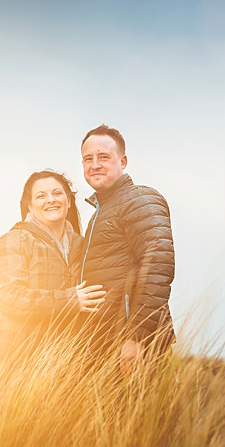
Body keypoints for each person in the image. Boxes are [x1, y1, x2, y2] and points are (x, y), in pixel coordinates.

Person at [77, 125, 175, 373]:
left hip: (132, 346)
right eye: (88, 159)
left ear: (123, 161)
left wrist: (136, 337)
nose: (95, 164)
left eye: (104, 157)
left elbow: (157, 269)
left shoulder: (139, 200)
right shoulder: (100, 212)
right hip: (104, 342)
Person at [0, 170, 106, 362]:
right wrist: (70, 300)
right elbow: (8, 296)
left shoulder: (83, 245)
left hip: (68, 365)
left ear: (68, 201)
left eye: (57, 193)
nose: (51, 199)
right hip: (20, 363)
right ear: (30, 206)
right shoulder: (13, 241)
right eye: (41, 196)